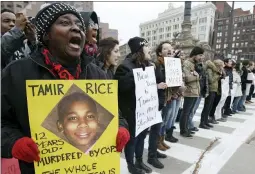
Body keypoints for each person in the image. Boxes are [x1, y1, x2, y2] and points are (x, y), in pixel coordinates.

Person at [1, 3, 129, 173]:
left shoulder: (97, 74)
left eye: (79, 25)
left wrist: (121, 128)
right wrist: (14, 143)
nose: (76, 29)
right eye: (65, 23)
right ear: (46, 35)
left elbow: (115, 114)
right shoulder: (17, 72)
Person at [115, 37, 154, 174]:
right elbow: (121, 87)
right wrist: (137, 75)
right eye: (147, 46)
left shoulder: (148, 65)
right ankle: (131, 166)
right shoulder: (124, 66)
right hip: (131, 111)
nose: (150, 49)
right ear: (140, 49)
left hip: (145, 110)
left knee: (143, 136)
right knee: (133, 139)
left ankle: (139, 161)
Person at [180, 46, 203, 137]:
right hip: (189, 91)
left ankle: (187, 128)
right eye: (200, 55)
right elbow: (187, 78)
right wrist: (197, 76)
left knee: (189, 111)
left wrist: (197, 75)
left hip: (195, 90)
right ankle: (183, 130)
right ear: (195, 54)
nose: (201, 57)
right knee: (186, 112)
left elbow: (197, 75)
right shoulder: (187, 63)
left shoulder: (194, 63)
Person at [202, 59, 225, 128]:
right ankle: (202, 122)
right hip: (210, 90)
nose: (222, 67)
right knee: (206, 107)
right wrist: (218, 75)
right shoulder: (210, 69)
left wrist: (220, 72)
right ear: (218, 65)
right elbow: (210, 80)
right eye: (221, 66)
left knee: (209, 107)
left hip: (214, 90)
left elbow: (223, 75)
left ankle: (206, 122)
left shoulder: (216, 71)